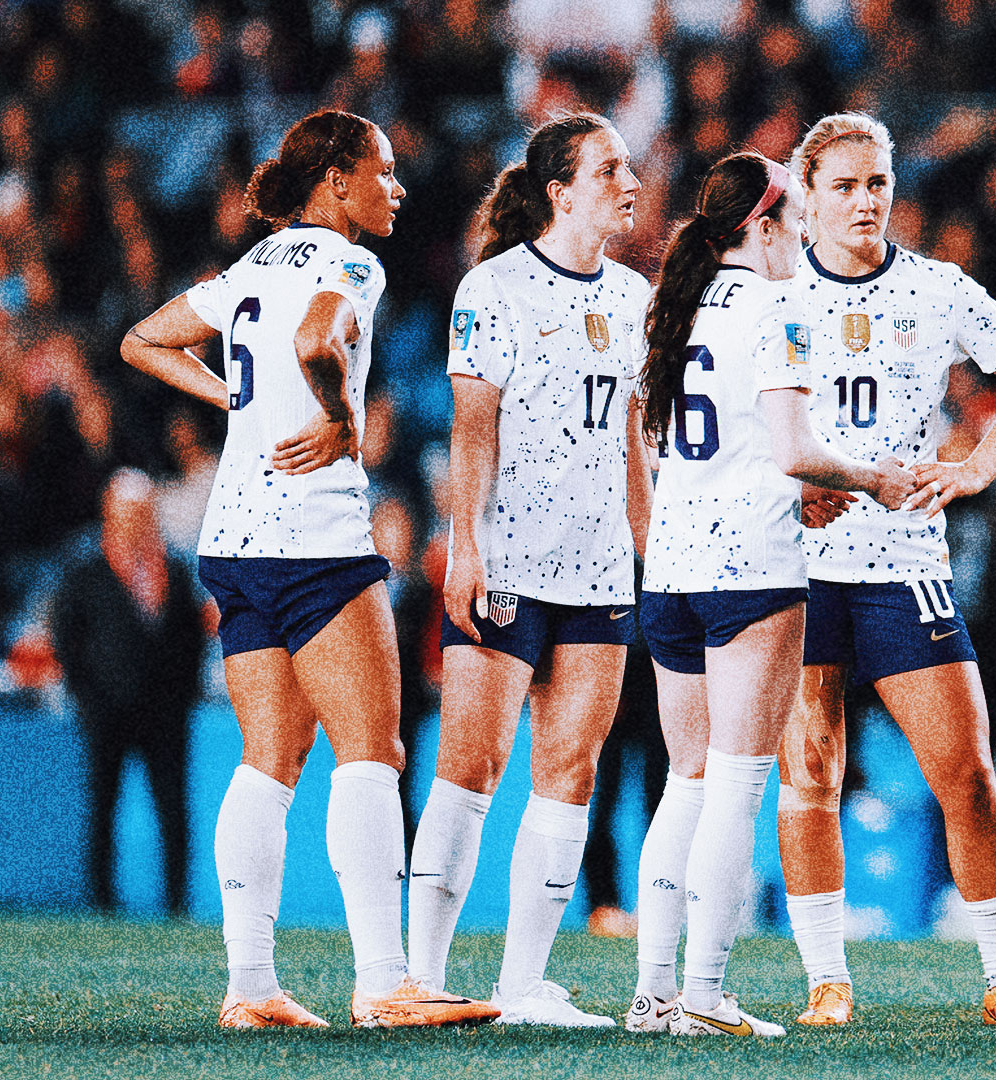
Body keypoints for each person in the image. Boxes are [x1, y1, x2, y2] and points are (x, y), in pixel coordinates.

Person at [119, 109, 496, 1030]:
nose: (398, 187)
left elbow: (141, 339)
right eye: (385, 170)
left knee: (270, 761)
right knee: (374, 751)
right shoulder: (349, 262)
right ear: (335, 180)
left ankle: (251, 988)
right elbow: (320, 343)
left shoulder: (254, 264)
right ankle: (384, 984)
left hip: (232, 541)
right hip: (313, 536)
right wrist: (342, 414)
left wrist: (235, 405)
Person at [772, 111, 996, 1029]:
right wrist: (781, 488)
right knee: (811, 771)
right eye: (845, 185)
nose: (865, 201)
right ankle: (827, 982)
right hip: (799, 564)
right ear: (806, 197)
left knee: (966, 774)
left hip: (904, 563)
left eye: (877, 183)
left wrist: (980, 465)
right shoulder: (770, 297)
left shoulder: (938, 289)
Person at [622, 150, 918, 1038]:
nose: (801, 240)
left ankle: (652, 993)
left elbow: (666, 448)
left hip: (671, 570)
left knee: (685, 782)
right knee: (740, 788)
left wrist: (793, 481)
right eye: (792, 223)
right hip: (751, 570)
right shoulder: (777, 306)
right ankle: (707, 996)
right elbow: (791, 447)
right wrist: (872, 478)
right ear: (763, 224)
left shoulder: (667, 307)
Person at [403, 112, 652, 1028]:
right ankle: (419, 978)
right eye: (610, 168)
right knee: (470, 765)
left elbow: (631, 441)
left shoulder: (634, 298)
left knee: (572, 770)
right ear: (561, 190)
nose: (630, 181)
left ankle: (521, 985)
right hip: (508, 559)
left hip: (597, 570)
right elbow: (473, 428)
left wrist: (649, 548)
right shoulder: (494, 287)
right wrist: (464, 548)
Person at [49, 468, 205, 917]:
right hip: (106, 712)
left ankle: (176, 903)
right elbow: (67, 638)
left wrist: (181, 696)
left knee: (173, 810)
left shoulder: (172, 570)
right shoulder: (87, 572)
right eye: (128, 512)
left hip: (164, 714)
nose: (137, 521)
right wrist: (88, 697)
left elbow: (189, 640)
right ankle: (101, 901)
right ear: (110, 513)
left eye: (143, 512)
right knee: (103, 807)